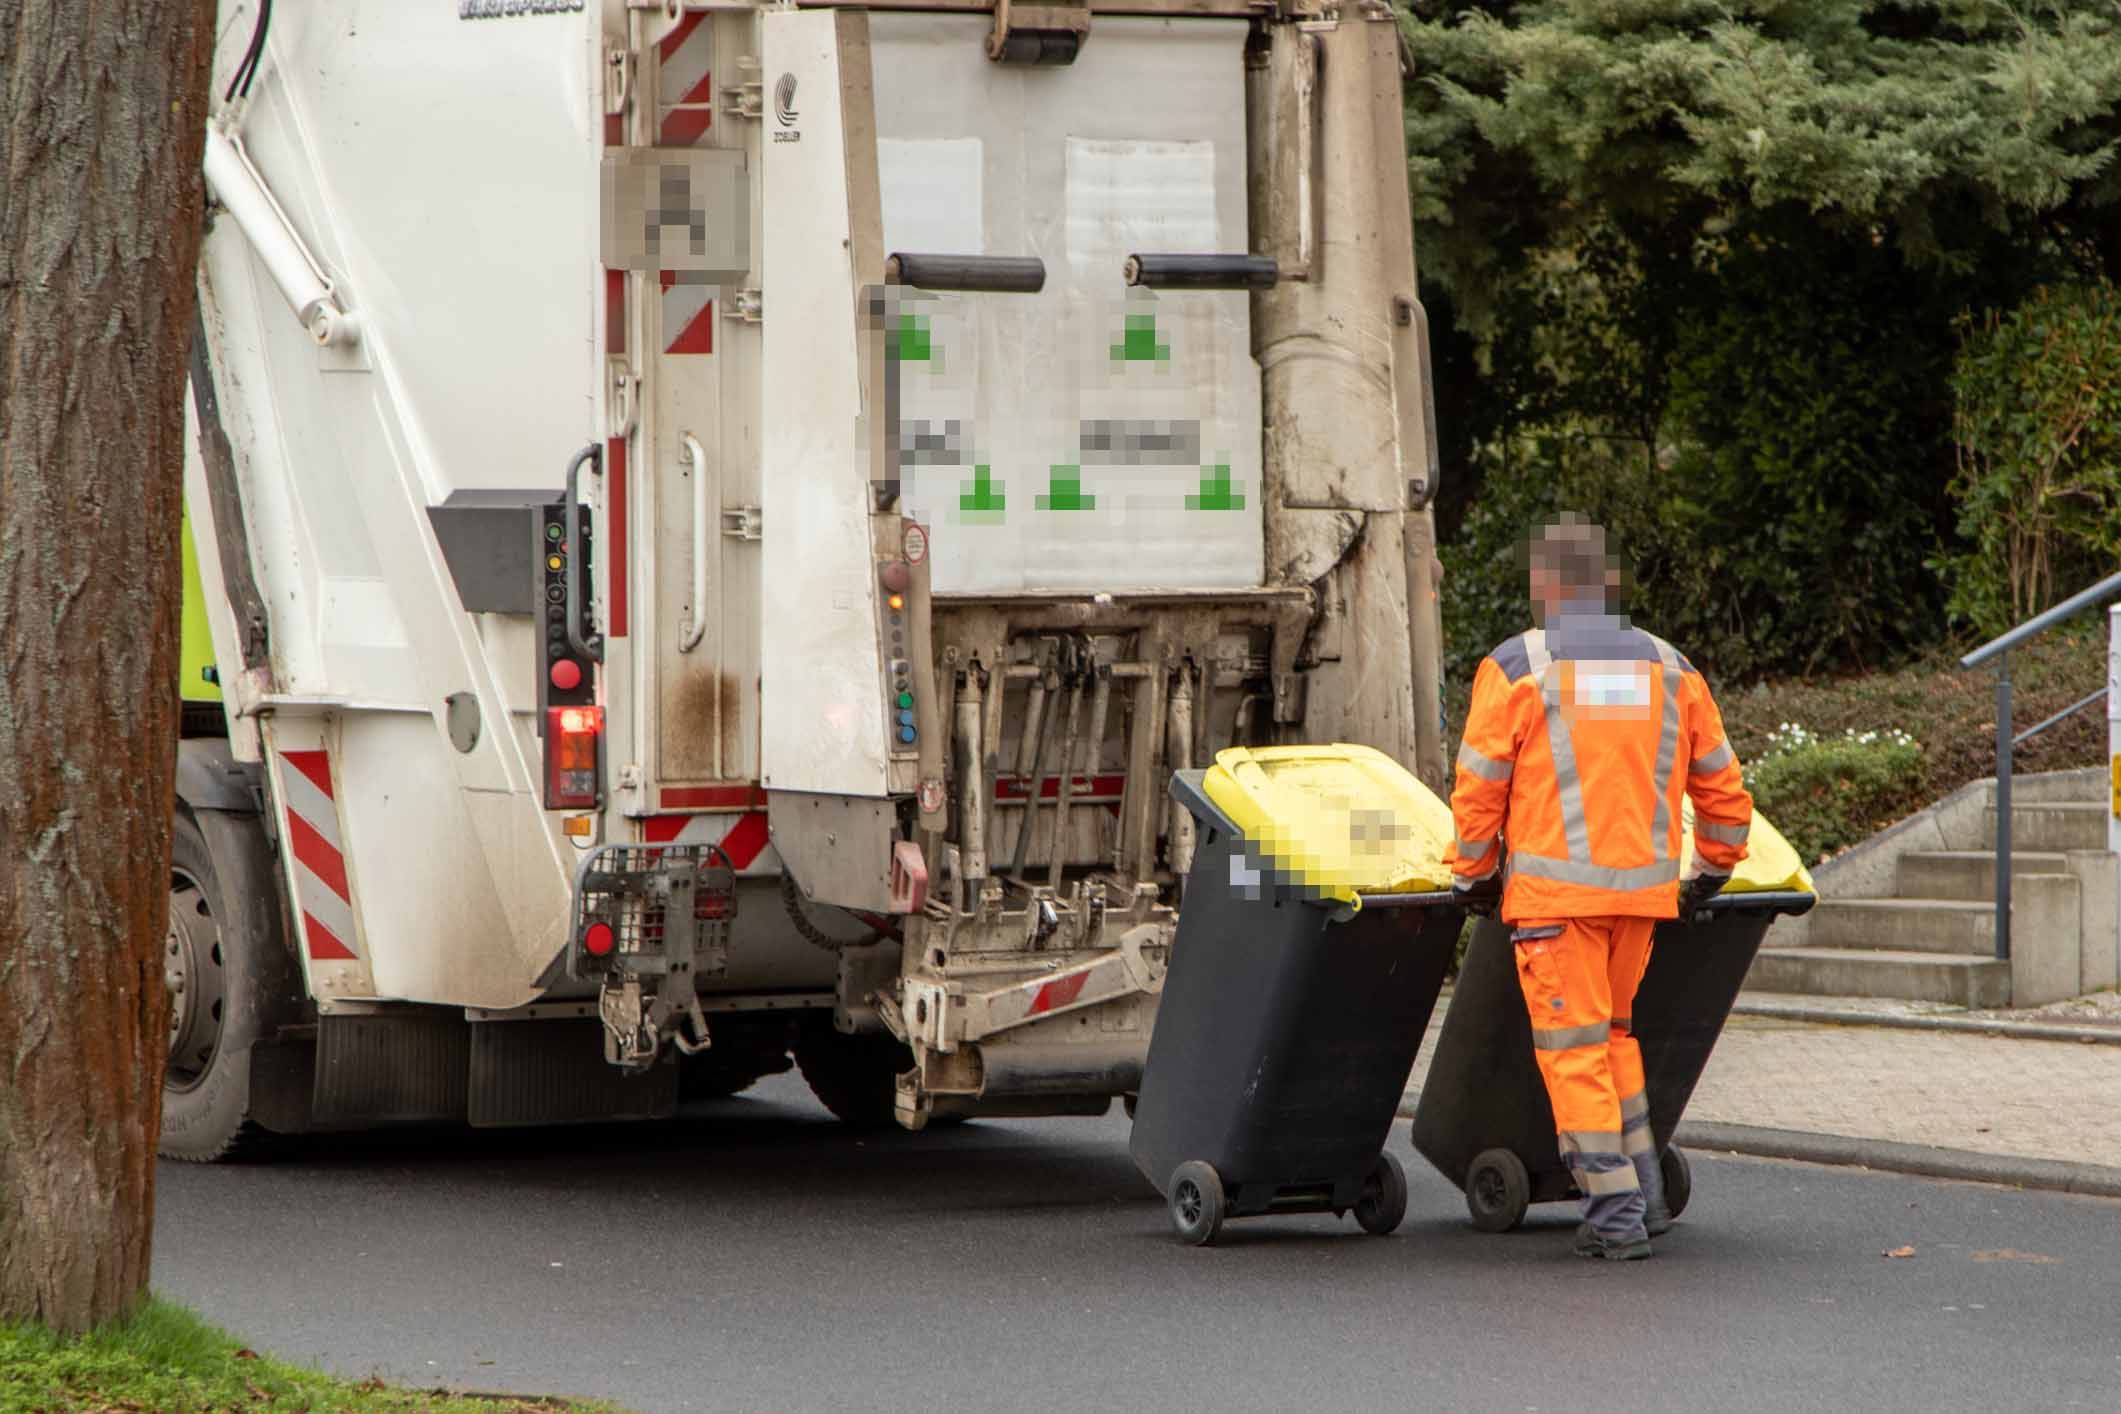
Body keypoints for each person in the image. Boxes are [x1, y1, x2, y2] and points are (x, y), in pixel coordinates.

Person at [1447, 517, 1753, 1261]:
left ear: (1545, 585)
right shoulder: (1670, 668)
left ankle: (1612, 1215)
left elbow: (1480, 787)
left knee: (1574, 1051)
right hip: (1640, 900)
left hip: (1557, 906)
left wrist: (1472, 875)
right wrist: (1712, 867)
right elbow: (1721, 788)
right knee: (1612, 1040)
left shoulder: (1520, 666)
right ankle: (1642, 1196)